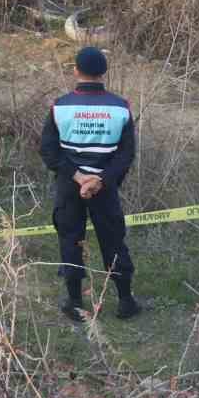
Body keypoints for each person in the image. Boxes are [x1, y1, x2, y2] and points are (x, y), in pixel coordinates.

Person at [39, 45, 140, 322]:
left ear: (76, 71)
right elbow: (126, 154)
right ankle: (125, 302)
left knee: (71, 240)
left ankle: (74, 303)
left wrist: (78, 177)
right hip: (104, 188)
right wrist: (100, 180)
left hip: (70, 187)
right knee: (113, 240)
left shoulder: (60, 107)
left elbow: (49, 150)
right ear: (104, 73)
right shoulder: (121, 108)